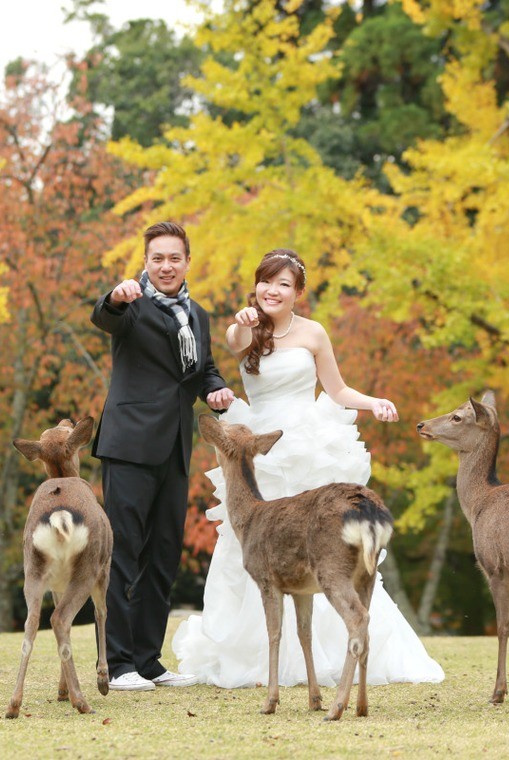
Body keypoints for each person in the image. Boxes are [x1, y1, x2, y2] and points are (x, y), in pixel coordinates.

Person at [172, 249, 444, 688]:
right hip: (260, 443)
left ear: (298, 292)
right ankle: (258, 656)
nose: (272, 290)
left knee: (327, 544)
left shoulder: (314, 333)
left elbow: (335, 390)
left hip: (310, 441)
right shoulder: (242, 330)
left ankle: (340, 648)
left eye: (283, 284)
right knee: (251, 542)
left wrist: (373, 402)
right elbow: (233, 342)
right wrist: (244, 322)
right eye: (265, 282)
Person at [91, 221, 235, 692]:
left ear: (188, 262)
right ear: (146, 262)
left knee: (164, 554)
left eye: (175, 258)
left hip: (175, 446)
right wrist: (115, 296)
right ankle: (117, 663)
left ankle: (148, 661)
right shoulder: (131, 304)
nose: (166, 266)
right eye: (158, 258)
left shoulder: (198, 314)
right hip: (129, 446)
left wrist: (216, 389)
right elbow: (105, 316)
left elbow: (203, 368)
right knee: (124, 552)